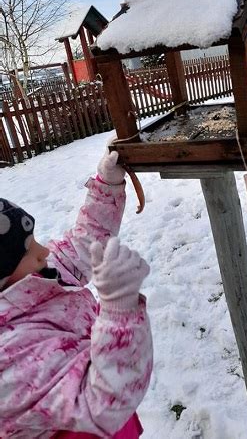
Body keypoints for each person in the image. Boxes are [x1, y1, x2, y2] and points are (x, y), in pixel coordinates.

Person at [0, 145, 153, 438]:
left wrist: (106, 186)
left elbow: (81, 247)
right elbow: (102, 402)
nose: (44, 251)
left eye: (35, 241)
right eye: (28, 252)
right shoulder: (10, 356)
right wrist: (120, 313)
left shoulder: (34, 281)